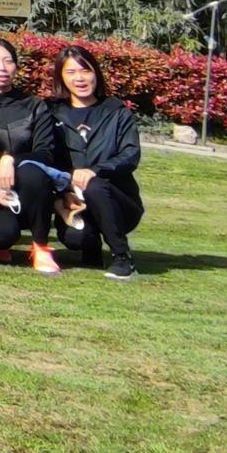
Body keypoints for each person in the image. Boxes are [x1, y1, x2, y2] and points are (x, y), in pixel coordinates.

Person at [0, 36, 63, 274]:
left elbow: (46, 153)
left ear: (16, 66)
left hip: (30, 188)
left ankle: (40, 247)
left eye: (8, 61)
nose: (2, 67)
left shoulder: (34, 105)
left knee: (33, 171)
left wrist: (11, 159)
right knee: (1, 236)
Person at [50, 45, 144, 280]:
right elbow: (46, 155)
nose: (80, 78)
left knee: (95, 186)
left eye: (85, 70)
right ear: (61, 77)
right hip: (74, 201)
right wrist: (62, 192)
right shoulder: (52, 113)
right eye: (71, 72)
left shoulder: (116, 111)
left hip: (117, 200)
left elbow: (130, 154)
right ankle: (90, 248)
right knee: (75, 239)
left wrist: (95, 171)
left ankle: (122, 257)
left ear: (96, 73)